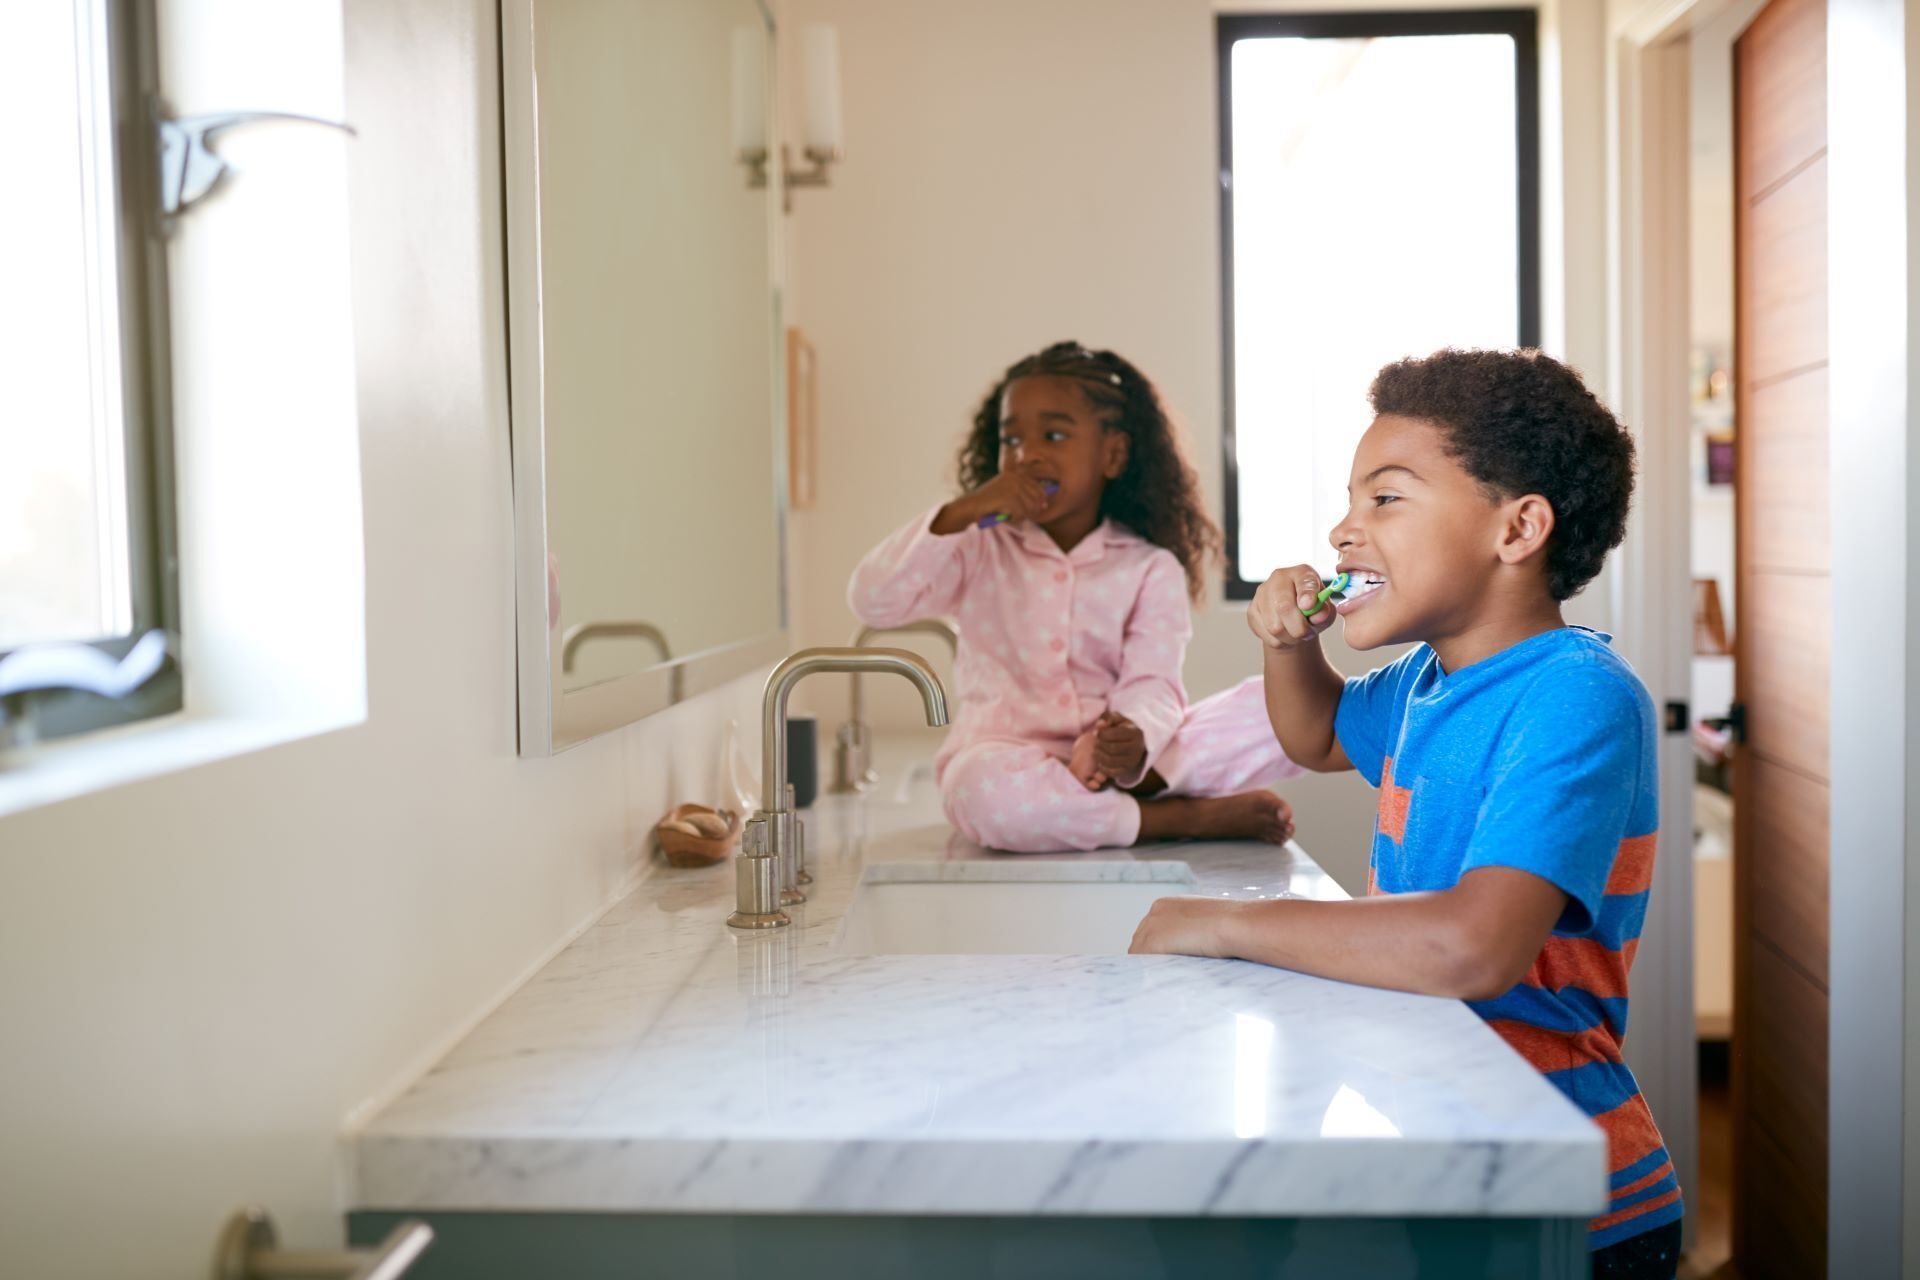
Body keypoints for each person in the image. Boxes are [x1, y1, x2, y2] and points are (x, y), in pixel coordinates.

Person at [1131, 348, 1681, 1277]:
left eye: (1386, 498)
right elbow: (1312, 734)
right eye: (1349, 500)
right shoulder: (1425, 683)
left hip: (1566, 1197)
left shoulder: (1575, 697)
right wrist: (1287, 646)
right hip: (1450, 1152)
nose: (1345, 529)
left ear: (1519, 529)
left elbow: (1475, 947)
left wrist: (1230, 925)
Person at [849, 341, 1301, 854]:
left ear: (1112, 454)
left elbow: (1153, 683)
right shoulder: (976, 545)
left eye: (1054, 434)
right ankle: (1174, 817)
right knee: (983, 795)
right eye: (1011, 439)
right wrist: (965, 510)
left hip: (1122, 761)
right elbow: (873, 602)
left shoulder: (1149, 568)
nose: (1027, 454)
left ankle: (1117, 794)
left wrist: (1130, 741)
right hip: (1006, 762)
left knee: (1283, 709)